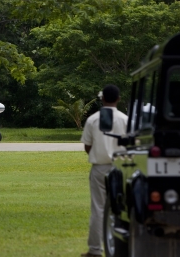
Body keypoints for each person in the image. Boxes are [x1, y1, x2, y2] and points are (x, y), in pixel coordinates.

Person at [80, 85, 128, 257]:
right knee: (122, 209)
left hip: (100, 169)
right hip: (121, 168)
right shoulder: (125, 120)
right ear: (118, 99)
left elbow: (87, 146)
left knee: (99, 209)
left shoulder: (93, 119)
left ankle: (94, 249)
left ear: (102, 99)